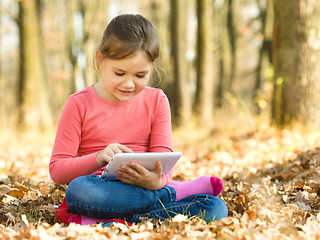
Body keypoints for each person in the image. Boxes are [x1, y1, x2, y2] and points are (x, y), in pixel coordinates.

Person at [49, 14, 228, 227]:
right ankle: (173, 194)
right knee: (78, 191)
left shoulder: (157, 100)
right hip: (100, 188)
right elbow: (57, 171)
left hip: (143, 187)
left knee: (216, 208)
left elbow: (164, 158)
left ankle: (104, 221)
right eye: (119, 73)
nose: (129, 83)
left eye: (140, 75)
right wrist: (98, 158)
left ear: (151, 67)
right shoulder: (78, 103)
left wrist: (156, 182)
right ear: (100, 60)